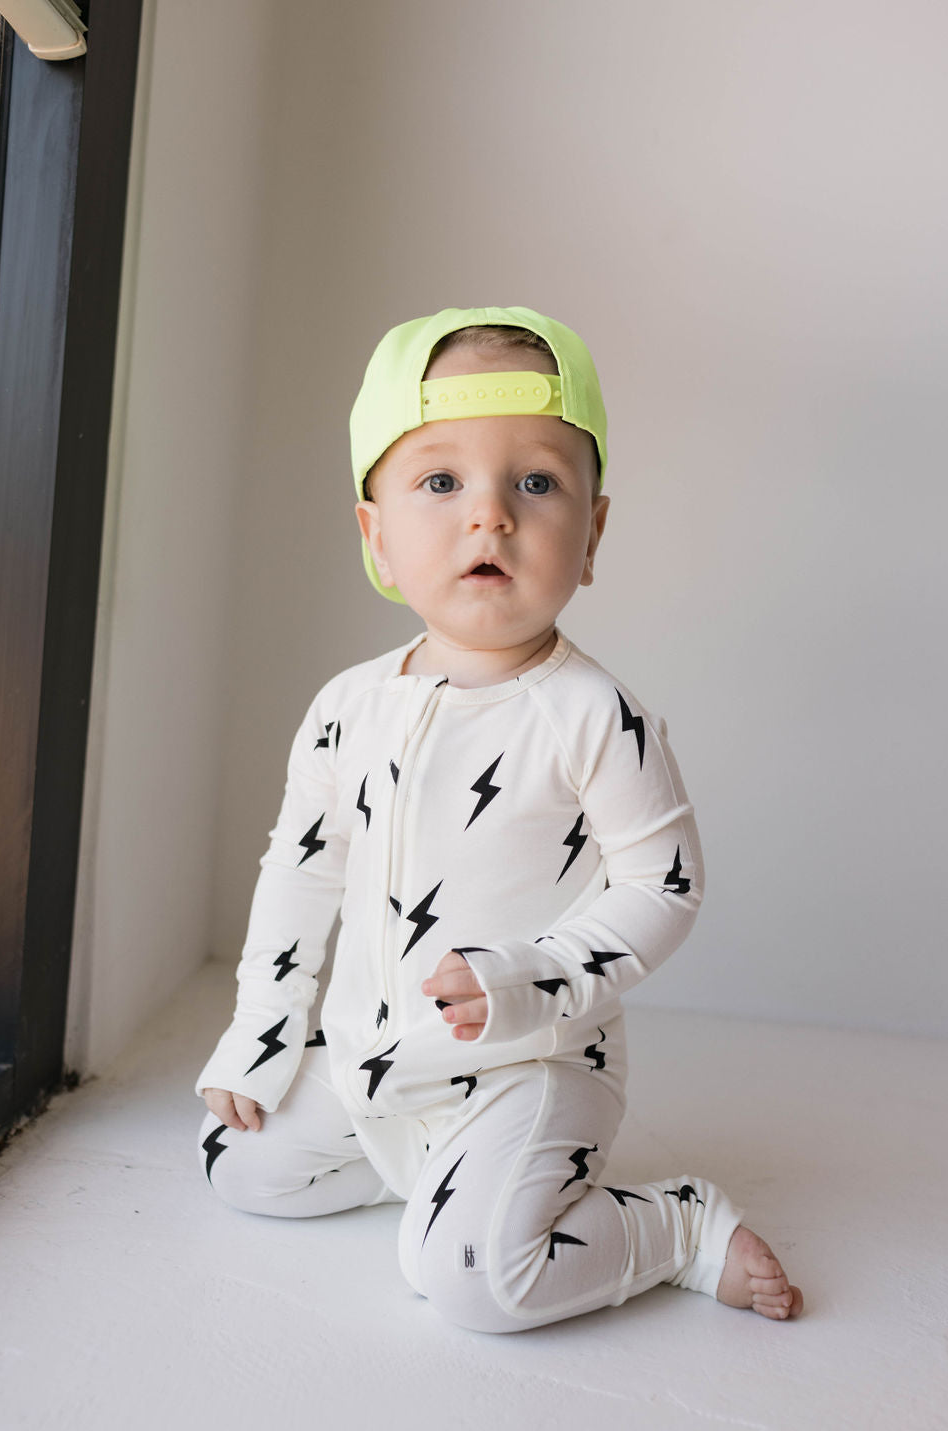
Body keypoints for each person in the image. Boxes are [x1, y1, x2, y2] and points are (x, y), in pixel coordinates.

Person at [194, 304, 803, 1333]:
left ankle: (676, 1226)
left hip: (534, 1069)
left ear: (592, 530)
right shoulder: (347, 707)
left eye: (536, 482)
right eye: (440, 481)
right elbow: (301, 875)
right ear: (375, 531)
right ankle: (439, 1176)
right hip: (373, 1058)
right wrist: (262, 1032)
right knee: (234, 1160)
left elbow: (664, 884)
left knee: (473, 1282)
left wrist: (529, 978)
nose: (491, 515)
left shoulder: (594, 715)